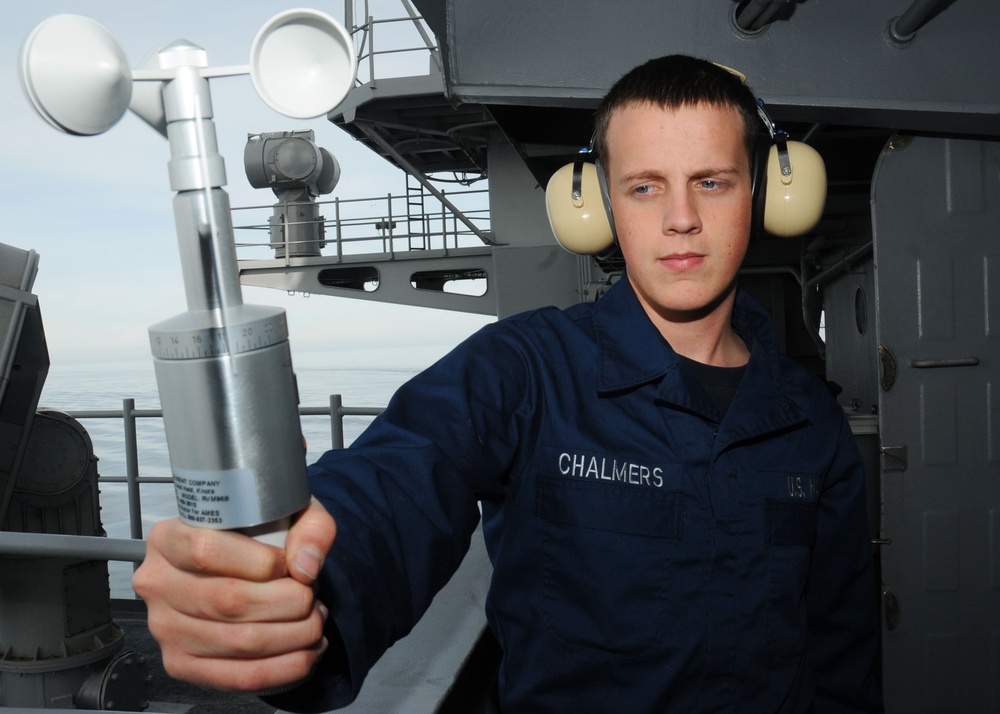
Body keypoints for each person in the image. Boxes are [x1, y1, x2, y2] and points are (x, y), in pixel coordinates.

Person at [133, 55, 883, 712]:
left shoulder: (809, 424)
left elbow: (843, 658)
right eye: (646, 187)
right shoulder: (523, 370)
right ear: (600, 206)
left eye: (712, 182)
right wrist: (292, 592)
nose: (681, 219)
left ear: (762, 195)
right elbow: (399, 480)